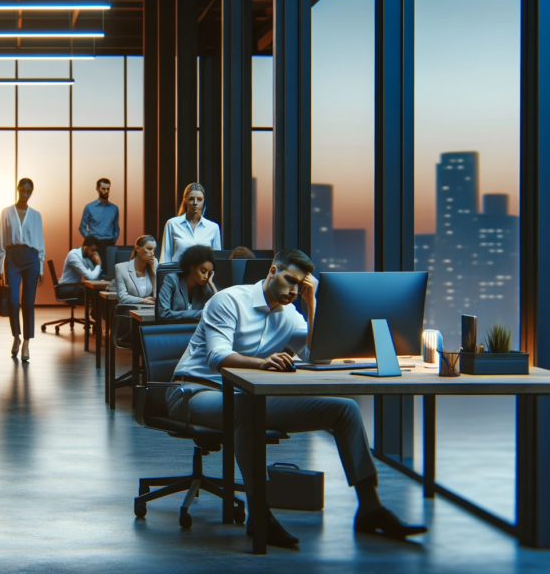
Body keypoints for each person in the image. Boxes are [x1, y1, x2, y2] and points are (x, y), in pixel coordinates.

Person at [167, 248, 428, 547]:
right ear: (272, 272)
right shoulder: (228, 300)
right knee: (246, 408)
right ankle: (259, 513)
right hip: (193, 392)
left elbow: (318, 357)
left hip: (246, 397)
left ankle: (371, 508)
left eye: (300, 284)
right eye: (289, 280)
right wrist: (262, 363)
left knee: (344, 410)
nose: (293, 289)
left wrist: (311, 302)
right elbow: (217, 357)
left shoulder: (289, 314)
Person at [0, 177, 45, 362]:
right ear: (17, 189)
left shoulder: (36, 215)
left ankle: (26, 343)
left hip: (31, 259)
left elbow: (40, 241)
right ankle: (15, 336)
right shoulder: (6, 212)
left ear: (31, 193)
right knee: (13, 301)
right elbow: (1, 238)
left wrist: (41, 267)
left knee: (28, 302)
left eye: (28, 192)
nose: (25, 195)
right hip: (12, 258)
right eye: (22, 191)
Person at [161, 182, 223, 263]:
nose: (195, 203)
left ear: (203, 200)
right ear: (185, 200)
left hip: (203, 275)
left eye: (199, 199)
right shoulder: (172, 224)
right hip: (177, 274)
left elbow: (216, 260)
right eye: (191, 199)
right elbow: (165, 257)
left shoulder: (213, 227)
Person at [157, 245, 217, 322]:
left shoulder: (205, 285)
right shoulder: (171, 280)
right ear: (191, 267)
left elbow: (218, 310)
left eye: (209, 273)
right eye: (203, 271)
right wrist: (203, 313)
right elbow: (163, 314)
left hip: (196, 330)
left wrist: (212, 286)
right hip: (174, 330)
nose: (206, 277)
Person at [79, 177, 120, 260]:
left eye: (108, 189)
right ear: (97, 189)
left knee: (109, 269)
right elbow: (82, 227)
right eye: (103, 189)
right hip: (94, 244)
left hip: (109, 243)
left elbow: (116, 227)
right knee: (94, 269)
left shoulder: (114, 208)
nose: (106, 191)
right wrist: (90, 240)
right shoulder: (89, 207)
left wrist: (113, 240)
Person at [115, 235, 158, 305]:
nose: (152, 254)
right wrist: (143, 300)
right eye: (149, 249)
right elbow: (122, 297)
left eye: (154, 250)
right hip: (129, 310)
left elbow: (158, 297)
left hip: (149, 309)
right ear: (137, 248)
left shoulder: (154, 265)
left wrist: (153, 273)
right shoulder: (120, 268)